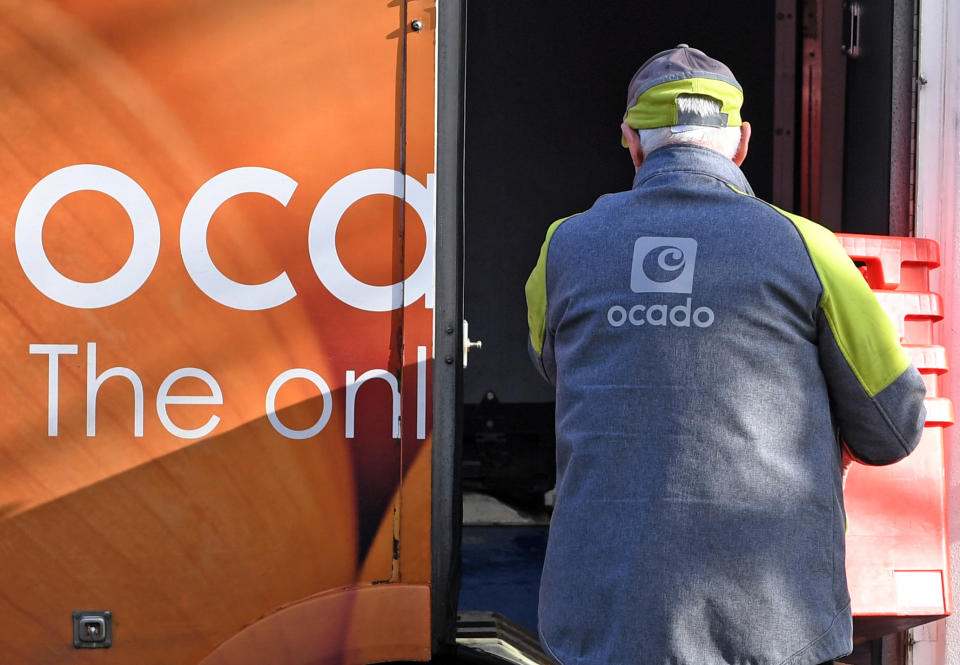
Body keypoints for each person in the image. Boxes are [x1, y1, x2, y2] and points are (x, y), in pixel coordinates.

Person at [524, 45, 927, 665]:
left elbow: (556, 364)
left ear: (630, 140)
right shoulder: (806, 247)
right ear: (740, 142)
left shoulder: (563, 248)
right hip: (770, 625)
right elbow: (893, 429)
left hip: (600, 621)